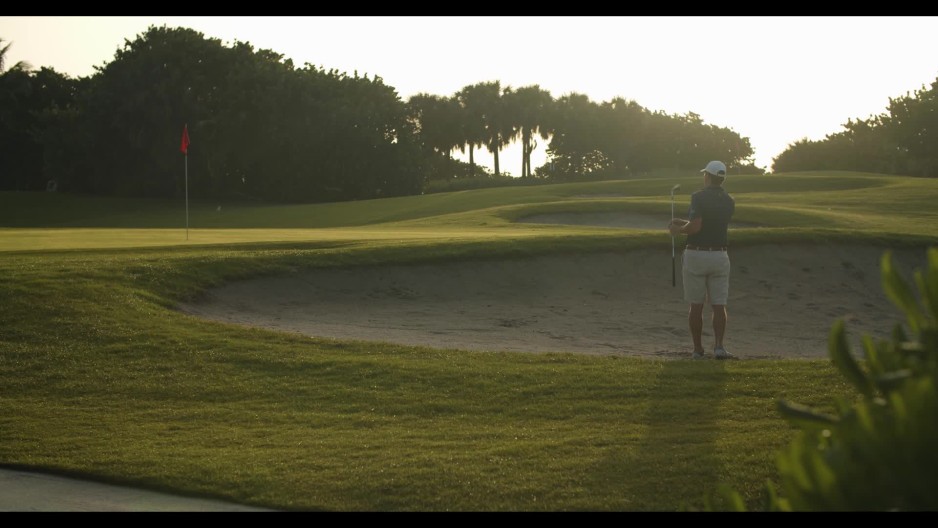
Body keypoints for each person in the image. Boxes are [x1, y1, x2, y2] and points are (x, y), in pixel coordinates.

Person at [668, 160, 736, 360]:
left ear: (707, 176)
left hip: (697, 255)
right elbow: (709, 224)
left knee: (696, 306)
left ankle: (698, 350)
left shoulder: (698, 197)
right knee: (719, 305)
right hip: (720, 256)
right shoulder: (729, 200)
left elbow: (697, 226)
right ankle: (719, 347)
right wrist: (684, 223)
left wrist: (678, 230)